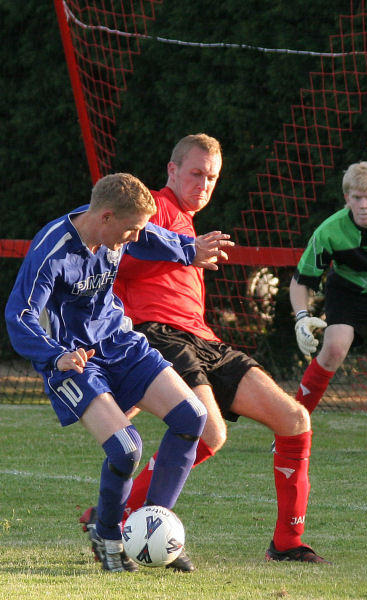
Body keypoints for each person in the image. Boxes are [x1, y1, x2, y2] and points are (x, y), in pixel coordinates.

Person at [80, 134, 329, 566]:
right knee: (209, 431)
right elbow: (121, 248)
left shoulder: (189, 222)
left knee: (294, 419)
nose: (204, 184)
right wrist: (182, 250)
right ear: (172, 170)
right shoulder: (151, 207)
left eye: (212, 177)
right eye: (196, 173)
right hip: (158, 334)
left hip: (204, 340)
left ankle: (287, 544)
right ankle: (121, 518)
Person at [5, 172, 233, 573]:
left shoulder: (119, 228)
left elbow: (146, 235)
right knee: (126, 449)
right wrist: (54, 355)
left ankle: (152, 528)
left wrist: (188, 248)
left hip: (119, 343)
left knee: (192, 417)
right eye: (128, 230)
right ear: (106, 217)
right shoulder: (53, 250)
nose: (132, 239)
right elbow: (18, 315)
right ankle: (107, 533)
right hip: (74, 360)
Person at [291, 160, 367, 413]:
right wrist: (301, 318)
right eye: (357, 198)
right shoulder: (328, 231)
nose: (363, 205)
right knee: (335, 348)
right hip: (349, 292)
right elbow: (301, 280)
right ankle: (291, 426)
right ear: (346, 198)